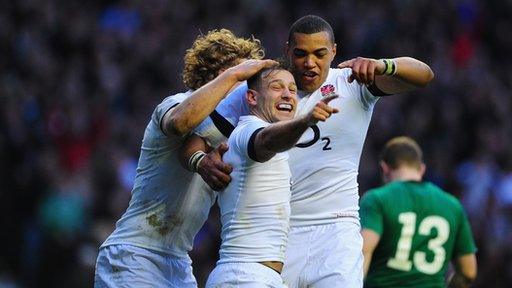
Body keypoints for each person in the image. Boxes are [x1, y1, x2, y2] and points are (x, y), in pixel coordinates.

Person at [185, 15, 434, 287]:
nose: (310, 63)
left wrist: (384, 65)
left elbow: (423, 75)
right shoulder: (260, 91)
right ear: (287, 50)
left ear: (334, 52)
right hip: (280, 237)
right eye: (301, 53)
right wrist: (200, 162)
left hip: (337, 230)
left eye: (320, 54)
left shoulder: (351, 83)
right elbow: (194, 139)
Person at [94, 29, 276, 287]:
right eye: (240, 76)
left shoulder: (234, 132)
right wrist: (234, 74)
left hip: (179, 262)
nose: (245, 88)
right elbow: (180, 124)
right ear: (216, 74)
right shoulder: (176, 103)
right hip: (134, 254)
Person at [205, 62, 338, 287]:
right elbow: (265, 140)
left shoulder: (275, 143)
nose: (287, 94)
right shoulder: (246, 131)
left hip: (259, 276)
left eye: (293, 90)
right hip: (243, 276)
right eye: (277, 87)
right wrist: (305, 121)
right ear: (251, 98)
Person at [360, 136, 477, 288]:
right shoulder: (453, 205)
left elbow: (364, 250)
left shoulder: (377, 199)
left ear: (384, 168)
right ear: (421, 169)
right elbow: (468, 272)